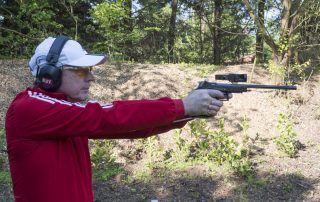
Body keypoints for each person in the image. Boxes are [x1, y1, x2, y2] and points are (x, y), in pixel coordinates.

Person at [5, 36, 228, 202]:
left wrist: (187, 113)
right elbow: (108, 116)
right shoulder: (29, 107)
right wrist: (181, 105)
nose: (91, 77)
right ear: (49, 74)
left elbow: (126, 128)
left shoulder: (61, 112)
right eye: (82, 71)